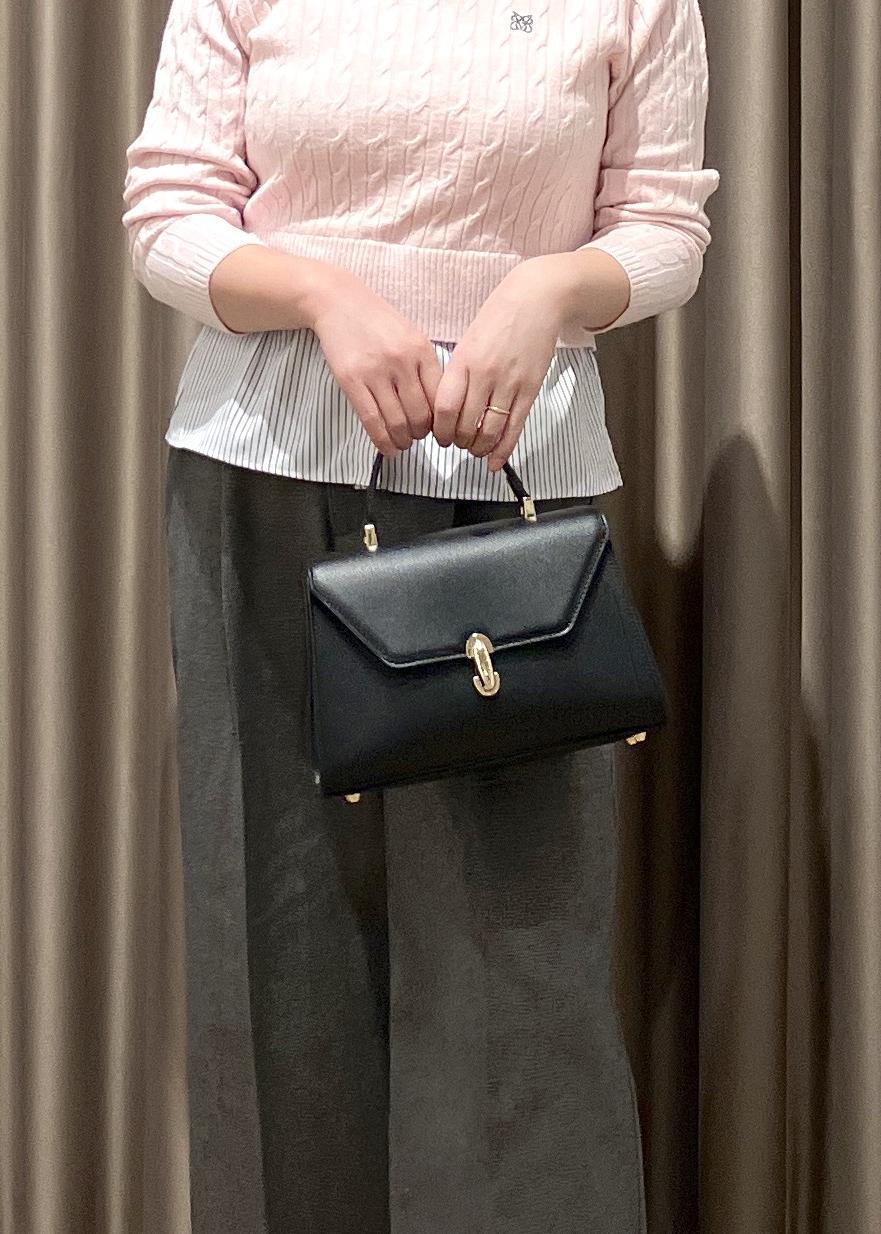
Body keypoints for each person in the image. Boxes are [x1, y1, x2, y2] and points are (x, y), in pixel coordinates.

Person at [122, 0, 719, 1229]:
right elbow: (167, 214)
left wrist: (547, 288)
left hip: (514, 514)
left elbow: (664, 225)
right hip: (262, 482)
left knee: (520, 970)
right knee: (282, 946)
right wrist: (320, 294)